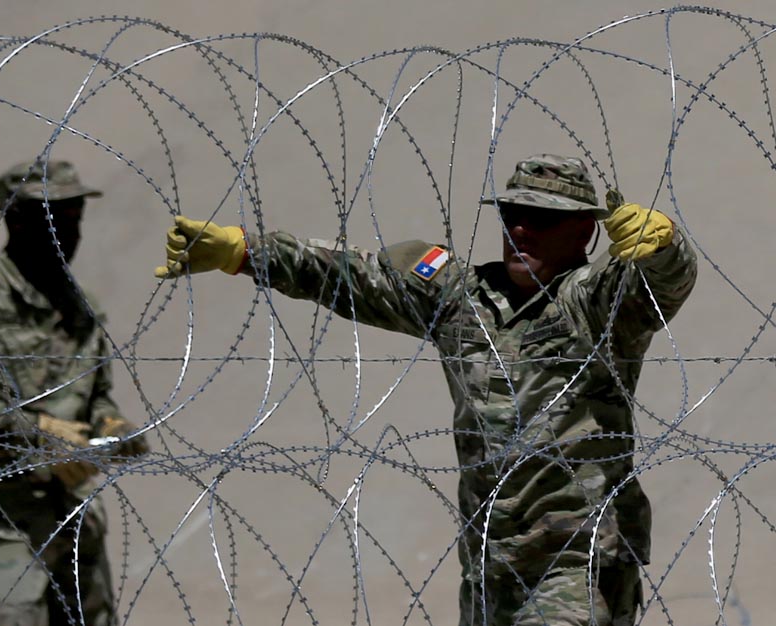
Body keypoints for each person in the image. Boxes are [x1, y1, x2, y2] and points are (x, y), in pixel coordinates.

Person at [153, 154, 697, 625]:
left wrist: (665, 246)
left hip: (579, 560)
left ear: (583, 232)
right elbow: (352, 275)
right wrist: (244, 252)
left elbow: (661, 283)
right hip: (491, 558)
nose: (521, 230)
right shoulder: (463, 297)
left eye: (541, 218)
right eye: (512, 215)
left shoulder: (596, 302)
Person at [0, 159, 148, 626]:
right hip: (6, 526)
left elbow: (96, 393)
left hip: (76, 516)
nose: (68, 233)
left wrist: (111, 425)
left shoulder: (81, 308)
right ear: (17, 221)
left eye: (74, 220)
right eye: (54, 220)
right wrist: (38, 434)